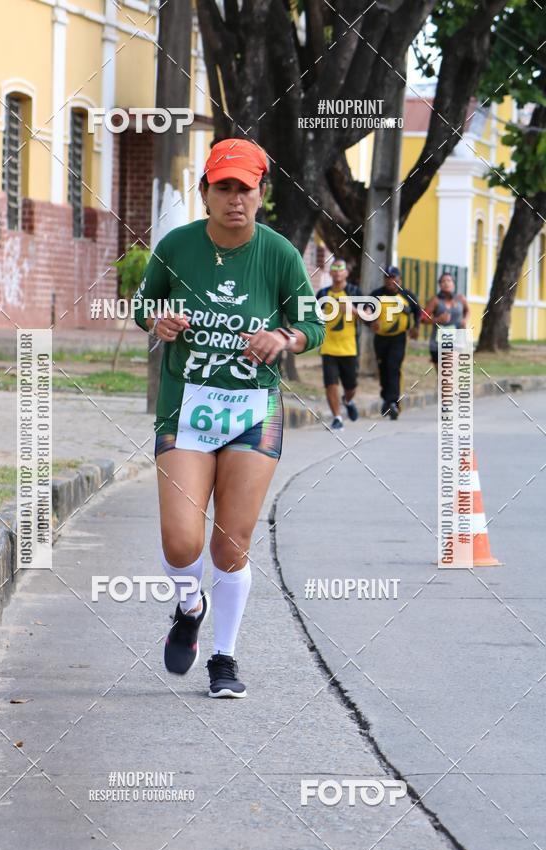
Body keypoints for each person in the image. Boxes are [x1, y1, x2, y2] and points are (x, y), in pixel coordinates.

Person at [133, 138, 324, 699]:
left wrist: (283, 336)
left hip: (253, 413)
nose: (235, 199)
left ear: (261, 194)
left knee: (230, 546)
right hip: (187, 409)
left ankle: (224, 657)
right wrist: (158, 322)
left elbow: (312, 325)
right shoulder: (176, 246)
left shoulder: (279, 254)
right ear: (205, 193)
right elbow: (147, 304)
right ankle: (190, 605)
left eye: (246, 188)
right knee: (179, 542)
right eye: (225, 188)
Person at [368, 265, 420, 420]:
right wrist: (371, 322)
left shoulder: (407, 295)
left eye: (394, 278)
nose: (391, 281)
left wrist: (416, 327)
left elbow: (418, 312)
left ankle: (393, 402)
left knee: (393, 366)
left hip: (399, 337)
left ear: (399, 279)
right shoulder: (376, 295)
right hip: (381, 338)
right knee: (383, 368)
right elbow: (365, 311)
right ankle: (386, 399)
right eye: (388, 278)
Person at [317, 259, 362, 429]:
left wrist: (353, 310)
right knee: (330, 383)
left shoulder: (354, 292)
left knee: (351, 386)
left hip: (349, 348)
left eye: (340, 269)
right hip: (328, 347)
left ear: (346, 273)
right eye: (334, 269)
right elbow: (313, 316)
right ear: (330, 273)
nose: (337, 273)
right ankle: (337, 418)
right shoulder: (323, 293)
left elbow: (369, 316)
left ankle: (348, 400)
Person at [424, 273, 470, 368]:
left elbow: (467, 310)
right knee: (443, 378)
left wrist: (465, 320)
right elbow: (423, 319)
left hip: (456, 342)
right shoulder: (435, 300)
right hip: (438, 344)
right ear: (440, 285)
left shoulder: (460, 299)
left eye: (449, 280)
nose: (446, 283)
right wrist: (437, 320)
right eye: (443, 281)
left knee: (448, 374)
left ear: (453, 284)